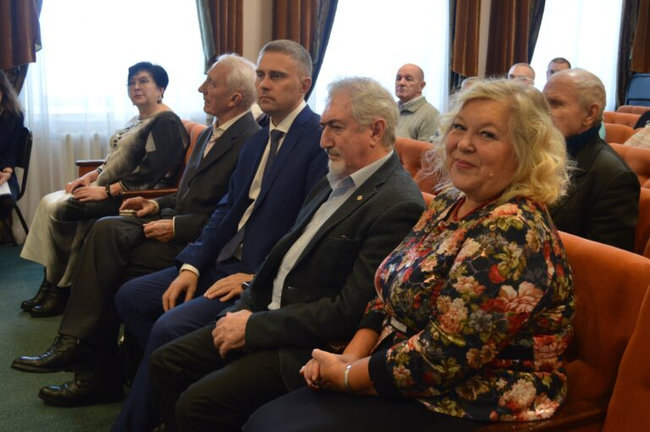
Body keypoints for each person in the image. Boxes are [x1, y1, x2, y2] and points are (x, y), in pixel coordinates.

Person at [244, 78, 575, 431]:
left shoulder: (513, 230)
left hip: (473, 395)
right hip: (400, 364)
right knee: (267, 416)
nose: (464, 144)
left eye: (487, 135)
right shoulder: (450, 202)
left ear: (525, 150)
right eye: (459, 128)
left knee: (273, 424)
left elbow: (443, 357)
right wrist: (350, 356)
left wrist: (347, 376)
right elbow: (386, 291)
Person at [147, 76, 425, 432]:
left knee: (198, 404)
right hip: (266, 312)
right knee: (166, 362)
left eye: (336, 128)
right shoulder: (336, 176)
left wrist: (254, 328)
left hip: (305, 345)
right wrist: (243, 308)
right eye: (323, 127)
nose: (323, 141)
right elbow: (285, 254)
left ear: (376, 130)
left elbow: (348, 311)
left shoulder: (397, 204)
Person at [11, 54, 261, 405]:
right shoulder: (211, 132)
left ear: (235, 97)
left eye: (211, 83)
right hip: (171, 219)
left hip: (197, 242)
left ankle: (87, 359)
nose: (201, 88)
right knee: (104, 233)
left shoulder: (251, 140)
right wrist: (155, 205)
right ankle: (85, 354)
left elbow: (232, 215)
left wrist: (174, 223)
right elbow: (187, 193)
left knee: (106, 253)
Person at [110, 39, 329, 431]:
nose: (264, 84)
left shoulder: (318, 140)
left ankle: (138, 422)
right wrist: (192, 265)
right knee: (131, 297)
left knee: (167, 328)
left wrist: (256, 276)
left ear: (304, 85)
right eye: (261, 75)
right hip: (220, 261)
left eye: (277, 76)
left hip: (254, 274)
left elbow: (308, 228)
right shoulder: (259, 138)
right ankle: (172, 396)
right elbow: (227, 210)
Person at [19, 61, 188, 317]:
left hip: (137, 197)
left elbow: (151, 171)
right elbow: (111, 161)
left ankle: (62, 288)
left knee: (64, 209)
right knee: (47, 201)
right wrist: (89, 178)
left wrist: (107, 191)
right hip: (113, 188)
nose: (136, 87)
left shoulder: (166, 122)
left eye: (143, 81)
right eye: (131, 83)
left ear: (161, 88)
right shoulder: (137, 120)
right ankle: (51, 282)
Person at [544, 69, 639, 251]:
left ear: (589, 114)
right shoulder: (537, 153)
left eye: (555, 104)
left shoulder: (615, 178)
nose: (542, 112)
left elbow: (603, 261)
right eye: (542, 103)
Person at [0, 70, 24, 221]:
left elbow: (12, 150)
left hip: (5, 174)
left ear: (3, 91)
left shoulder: (14, 116)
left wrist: (7, 172)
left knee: (5, 201)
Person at [395, 63, 440, 141]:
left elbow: (427, 148)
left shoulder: (431, 115)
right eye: (398, 78)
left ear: (421, 86)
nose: (401, 83)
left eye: (408, 79)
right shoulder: (390, 108)